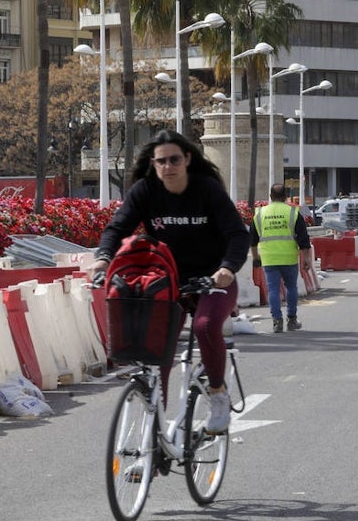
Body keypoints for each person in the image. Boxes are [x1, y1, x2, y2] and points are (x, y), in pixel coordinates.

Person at [92, 129, 249, 434]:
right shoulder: (145, 190)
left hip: (213, 280)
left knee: (204, 326)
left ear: (188, 159)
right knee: (156, 350)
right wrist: (102, 258)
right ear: (154, 163)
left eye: (174, 159)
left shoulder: (207, 189)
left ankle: (218, 394)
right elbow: (117, 228)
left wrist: (227, 268)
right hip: (167, 281)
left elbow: (237, 235)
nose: (168, 166)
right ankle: (154, 427)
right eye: (161, 161)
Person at [251, 183, 313, 333]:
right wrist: (306, 258)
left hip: (269, 257)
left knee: (273, 289)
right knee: (291, 287)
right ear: (286, 197)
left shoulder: (260, 213)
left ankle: (276, 321)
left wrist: (255, 257)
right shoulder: (292, 212)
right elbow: (303, 239)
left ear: (271, 197)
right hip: (289, 257)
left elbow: (252, 239)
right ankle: (291, 319)